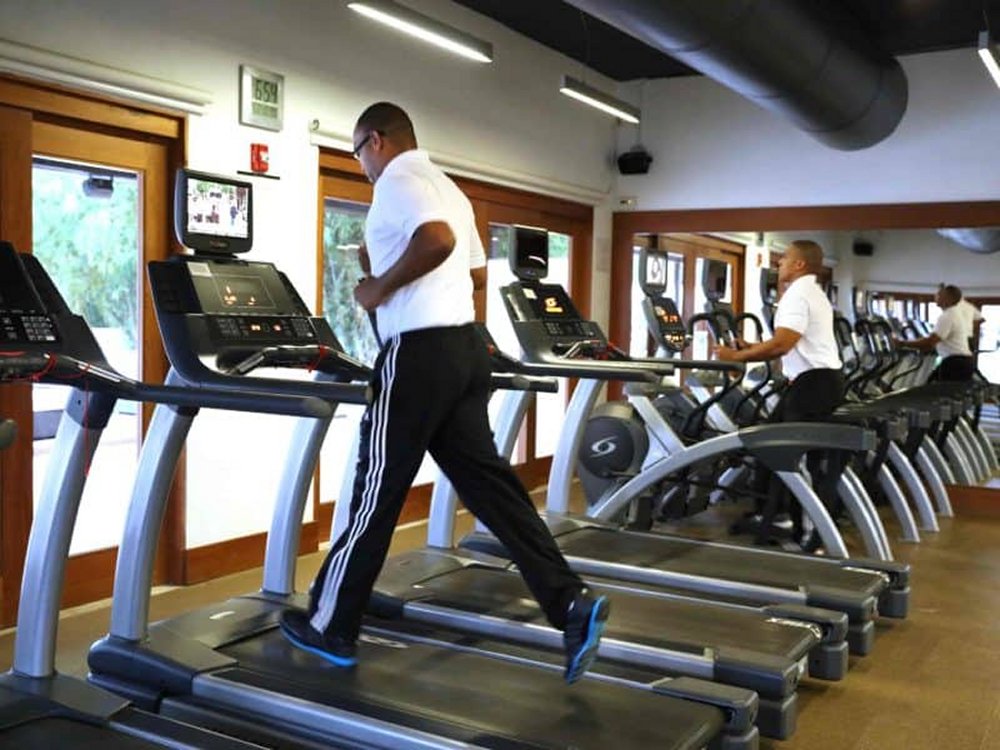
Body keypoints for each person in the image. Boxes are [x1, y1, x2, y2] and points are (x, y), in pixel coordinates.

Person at [280, 102, 608, 685]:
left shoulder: (397, 180)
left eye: (358, 153)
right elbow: (473, 274)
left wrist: (379, 287)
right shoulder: (447, 186)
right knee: (494, 491)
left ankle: (332, 624)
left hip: (418, 354)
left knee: (374, 492)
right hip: (463, 350)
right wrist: (385, 264)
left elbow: (436, 240)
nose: (362, 167)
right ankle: (570, 602)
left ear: (376, 140)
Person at [713, 240, 845, 544]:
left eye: (784, 258)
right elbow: (789, 341)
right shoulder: (813, 292)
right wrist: (751, 347)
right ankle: (777, 513)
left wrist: (737, 356)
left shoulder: (797, 294)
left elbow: (782, 344)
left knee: (790, 455)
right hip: (815, 382)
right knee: (770, 444)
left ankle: (808, 530)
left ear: (799, 264)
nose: (779, 263)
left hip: (813, 384)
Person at [895, 284, 976, 381]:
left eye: (939, 295)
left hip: (956, 363)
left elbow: (930, 342)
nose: (936, 296)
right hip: (958, 361)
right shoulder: (952, 313)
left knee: (936, 388)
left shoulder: (948, 316)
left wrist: (902, 343)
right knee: (932, 385)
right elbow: (932, 342)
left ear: (948, 298)